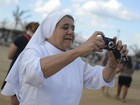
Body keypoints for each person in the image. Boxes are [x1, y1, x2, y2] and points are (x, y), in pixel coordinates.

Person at [2, 11, 128, 105]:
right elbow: (34, 73)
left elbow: (99, 77)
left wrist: (112, 63)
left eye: (73, 28)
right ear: (49, 30)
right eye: (65, 27)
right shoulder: (33, 52)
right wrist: (79, 50)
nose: (71, 31)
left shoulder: (76, 61)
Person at [1, 22, 39, 105]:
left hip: (19, 73)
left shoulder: (21, 39)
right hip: (30, 75)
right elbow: (9, 56)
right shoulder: (39, 43)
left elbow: (10, 55)